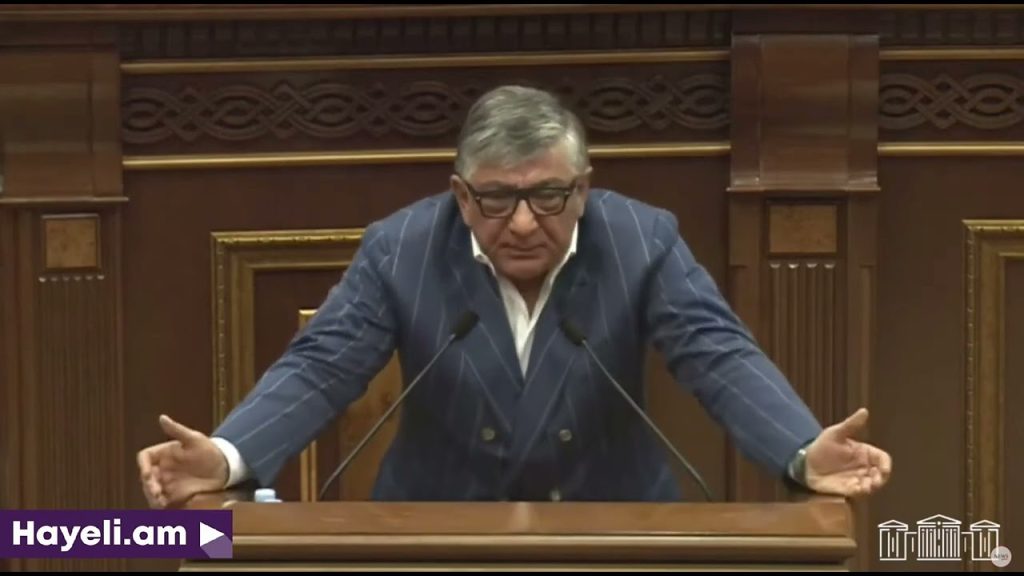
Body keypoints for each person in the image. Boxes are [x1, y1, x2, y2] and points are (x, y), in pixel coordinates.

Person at [137, 85, 892, 508]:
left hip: (612, 530)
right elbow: (321, 365)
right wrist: (229, 457)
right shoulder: (401, 248)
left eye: (550, 196)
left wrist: (801, 451)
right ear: (461, 195)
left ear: (583, 189)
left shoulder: (641, 239)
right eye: (497, 199)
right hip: (436, 534)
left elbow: (717, 354)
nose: (525, 223)